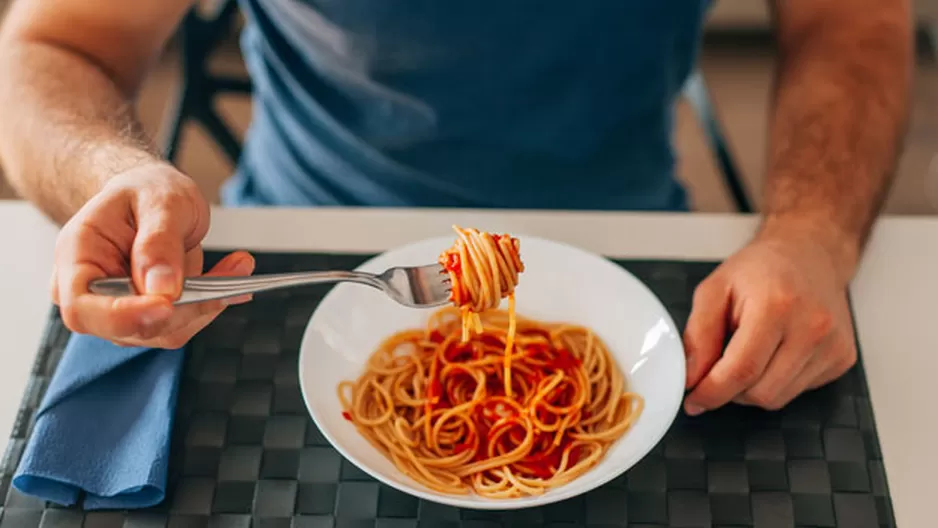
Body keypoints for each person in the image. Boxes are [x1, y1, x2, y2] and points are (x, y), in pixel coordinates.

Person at [0, 0, 913, 416]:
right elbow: (56, 43)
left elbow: (851, 21)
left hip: (642, 252)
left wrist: (811, 233)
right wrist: (109, 172)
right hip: (268, 268)